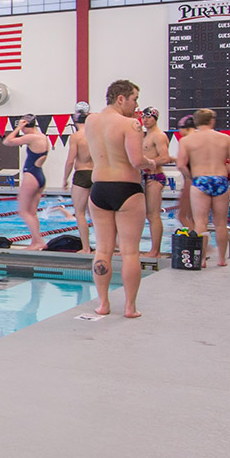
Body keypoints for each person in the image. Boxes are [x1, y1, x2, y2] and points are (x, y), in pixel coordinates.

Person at [82, 81, 150, 317]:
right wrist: (152, 163)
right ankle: (130, 307)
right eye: (135, 99)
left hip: (99, 188)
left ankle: (103, 304)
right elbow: (137, 161)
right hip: (126, 189)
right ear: (121, 99)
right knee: (130, 251)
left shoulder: (91, 121)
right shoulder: (130, 124)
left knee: (102, 250)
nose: (137, 105)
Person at [177, 109, 230, 261]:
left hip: (200, 180)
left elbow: (181, 164)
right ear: (212, 121)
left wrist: (192, 177)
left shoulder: (187, 140)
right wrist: (223, 172)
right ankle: (222, 259)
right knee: (221, 223)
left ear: (196, 122)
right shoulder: (225, 138)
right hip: (220, 180)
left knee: (200, 223)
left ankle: (202, 259)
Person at [10, 115, 52, 248]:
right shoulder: (43, 137)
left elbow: (8, 141)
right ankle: (35, 241)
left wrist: (17, 128)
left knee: (23, 211)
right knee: (32, 212)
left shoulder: (31, 137)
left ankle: (38, 241)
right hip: (40, 175)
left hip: (31, 175)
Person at [138, 107, 172, 251]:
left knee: (153, 215)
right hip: (145, 178)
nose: (145, 120)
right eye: (143, 117)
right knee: (145, 214)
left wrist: (147, 162)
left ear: (155, 119)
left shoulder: (158, 135)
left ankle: (155, 251)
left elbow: (165, 158)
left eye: (148, 117)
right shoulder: (146, 135)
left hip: (155, 178)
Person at [61, 117, 95, 251]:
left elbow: (70, 161)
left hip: (82, 174)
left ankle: (86, 248)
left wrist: (65, 178)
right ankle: (104, 247)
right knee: (97, 215)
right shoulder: (96, 135)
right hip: (97, 175)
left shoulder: (76, 137)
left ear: (75, 122)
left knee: (80, 213)